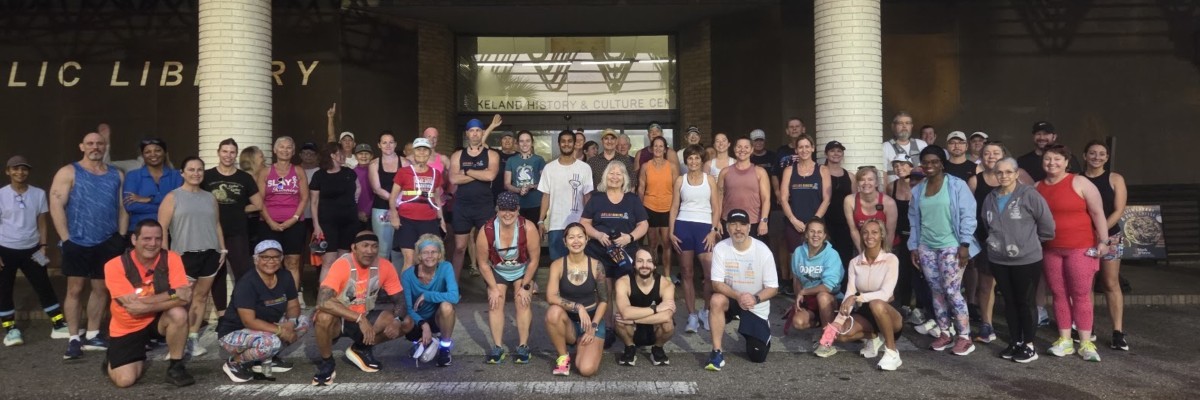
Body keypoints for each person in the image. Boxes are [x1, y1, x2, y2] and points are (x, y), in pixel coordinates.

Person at [50, 131, 129, 359]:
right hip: (78, 240)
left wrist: (121, 236)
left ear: (105, 147)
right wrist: (66, 239)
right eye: (90, 143)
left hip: (107, 241)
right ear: (82, 146)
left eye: (99, 143)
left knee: (101, 289)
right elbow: (56, 205)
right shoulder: (69, 172)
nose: (95, 147)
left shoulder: (117, 175)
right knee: (74, 289)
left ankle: (93, 333)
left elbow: (123, 208)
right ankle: (74, 338)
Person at [1037, 144, 1110, 362]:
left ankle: (1086, 342)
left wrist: (1104, 241)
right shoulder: (1037, 186)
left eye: (1057, 159)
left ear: (1067, 162)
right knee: (1058, 295)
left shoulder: (1079, 182)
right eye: (1048, 159)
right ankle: (1065, 339)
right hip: (1051, 248)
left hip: (1080, 248)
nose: (1052, 163)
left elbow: (1097, 212)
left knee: (1080, 295)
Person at [312, 231, 414, 385]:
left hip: (364, 315)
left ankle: (360, 349)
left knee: (407, 323)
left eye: (374, 246)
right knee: (323, 316)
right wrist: (359, 319)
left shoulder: (385, 266)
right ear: (354, 248)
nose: (370, 251)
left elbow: (400, 298)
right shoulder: (342, 264)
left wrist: (397, 320)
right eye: (365, 246)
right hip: (339, 320)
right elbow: (322, 301)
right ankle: (327, 362)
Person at [907, 145, 980, 356]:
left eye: (934, 162)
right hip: (927, 246)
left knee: (952, 291)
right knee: (936, 291)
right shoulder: (918, 189)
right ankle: (945, 332)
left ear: (942, 163)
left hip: (952, 246)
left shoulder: (957, 185)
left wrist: (965, 244)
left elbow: (968, 215)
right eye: (925, 163)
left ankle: (965, 336)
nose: (929, 166)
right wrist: (914, 246)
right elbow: (913, 220)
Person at [981, 157, 1055, 363]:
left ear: (1016, 174)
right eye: (999, 172)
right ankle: (1015, 341)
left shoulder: (1029, 195)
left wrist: (1029, 244)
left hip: (1026, 259)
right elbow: (987, 225)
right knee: (1010, 302)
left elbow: (1047, 225)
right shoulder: (990, 197)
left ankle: (1029, 345)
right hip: (999, 259)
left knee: (1025, 302)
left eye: (1008, 172)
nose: (1003, 176)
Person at [103, 220, 193, 387]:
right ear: (134, 240)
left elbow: (185, 297)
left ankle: (176, 367)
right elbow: (134, 309)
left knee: (179, 314)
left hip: (157, 320)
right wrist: (172, 294)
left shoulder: (171, 258)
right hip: (127, 325)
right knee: (125, 381)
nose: (153, 244)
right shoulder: (114, 265)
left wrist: (148, 305)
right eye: (146, 238)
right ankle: (113, 358)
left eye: (157, 239)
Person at [966, 141, 1034, 342]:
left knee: (1013, 286)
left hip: (1017, 241)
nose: (991, 156)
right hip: (987, 240)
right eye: (986, 153)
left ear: (1004, 155)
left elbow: (1034, 205)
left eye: (996, 152)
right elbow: (968, 213)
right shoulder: (975, 181)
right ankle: (987, 325)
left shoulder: (1018, 178)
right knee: (985, 285)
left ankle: (1021, 328)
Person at [158, 156, 226, 358]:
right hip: (183, 255)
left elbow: (216, 225)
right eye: (191, 169)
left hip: (210, 253)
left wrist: (222, 249)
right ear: (182, 173)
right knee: (180, 300)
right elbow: (162, 228)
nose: (196, 173)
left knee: (201, 297)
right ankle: (175, 343)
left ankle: (193, 339)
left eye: (199, 170)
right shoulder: (173, 197)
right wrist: (165, 256)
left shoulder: (210, 197)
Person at [216, 240, 310, 382]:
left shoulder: (285, 276)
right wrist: (280, 330)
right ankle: (235, 362)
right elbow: (249, 320)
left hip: (266, 326)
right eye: (265, 257)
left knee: (302, 322)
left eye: (275, 257)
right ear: (256, 259)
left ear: (281, 259)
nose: (271, 261)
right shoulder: (247, 282)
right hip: (235, 331)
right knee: (270, 343)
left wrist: (290, 324)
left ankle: (266, 358)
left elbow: (293, 306)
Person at [1, 156, 68, 346]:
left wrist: (43, 246)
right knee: (4, 288)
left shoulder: (38, 194)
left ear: (28, 172)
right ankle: (10, 329)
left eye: (24, 169)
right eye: (15, 169)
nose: (19, 172)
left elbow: (42, 221)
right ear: (8, 172)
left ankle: (58, 324)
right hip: (5, 248)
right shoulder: (1, 195)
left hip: (31, 249)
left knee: (43, 284)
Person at [580, 162, 646, 348]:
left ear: (624, 178)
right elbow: (584, 223)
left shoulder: (632, 199)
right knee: (605, 292)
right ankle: (608, 327)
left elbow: (643, 225)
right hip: (600, 253)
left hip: (625, 253)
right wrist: (598, 235)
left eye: (618, 174)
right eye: (611, 174)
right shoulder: (596, 198)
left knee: (624, 290)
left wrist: (630, 237)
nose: (615, 177)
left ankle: (627, 324)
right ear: (605, 177)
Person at [705, 209, 778, 371]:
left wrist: (755, 299)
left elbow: (773, 287)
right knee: (716, 299)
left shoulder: (763, 251)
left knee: (757, 357)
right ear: (727, 227)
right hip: (732, 297)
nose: (738, 229)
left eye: (743, 224)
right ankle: (716, 352)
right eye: (733, 224)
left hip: (755, 303)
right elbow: (716, 283)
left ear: (749, 227)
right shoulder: (721, 248)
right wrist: (738, 296)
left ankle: (755, 329)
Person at [476, 192, 541, 364]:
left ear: (518, 210)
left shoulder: (528, 228)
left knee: (522, 301)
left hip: (523, 268)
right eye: (503, 209)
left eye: (511, 209)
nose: (507, 214)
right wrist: (494, 288)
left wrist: (526, 286)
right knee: (495, 302)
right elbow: (482, 263)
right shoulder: (487, 230)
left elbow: (534, 260)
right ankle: (497, 347)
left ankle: (523, 345)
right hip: (498, 269)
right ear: (497, 210)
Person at [831, 219, 903, 370]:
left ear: (882, 235)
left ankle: (892, 352)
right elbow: (849, 294)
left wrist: (857, 298)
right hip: (865, 312)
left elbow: (886, 294)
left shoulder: (891, 259)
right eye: (865, 232)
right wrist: (838, 321)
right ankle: (875, 337)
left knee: (876, 303)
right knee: (841, 334)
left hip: (888, 311)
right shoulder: (854, 262)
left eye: (875, 232)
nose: (870, 236)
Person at [1082, 140, 1129, 351]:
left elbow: (1119, 209)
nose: (1097, 157)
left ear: (1107, 158)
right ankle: (1086, 326)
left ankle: (1118, 332)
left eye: (1101, 154)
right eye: (1092, 153)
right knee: (1086, 286)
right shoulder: (1077, 180)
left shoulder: (1115, 179)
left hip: (1110, 238)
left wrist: (1100, 233)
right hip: (1084, 239)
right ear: (1085, 156)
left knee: (1111, 283)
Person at [668, 145, 721, 333]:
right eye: (690, 158)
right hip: (683, 226)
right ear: (686, 161)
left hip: (704, 228)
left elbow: (716, 206)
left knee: (708, 275)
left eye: (697, 158)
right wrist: (671, 232)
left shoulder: (710, 180)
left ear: (701, 160)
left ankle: (706, 312)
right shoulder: (680, 180)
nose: (693, 162)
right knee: (686, 272)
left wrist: (713, 230)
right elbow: (674, 207)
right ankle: (692, 315)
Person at [544, 223, 608, 377]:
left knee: (586, 370)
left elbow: (604, 300)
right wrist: (578, 307)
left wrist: (593, 326)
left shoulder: (596, 265)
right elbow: (551, 296)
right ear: (565, 242)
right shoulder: (557, 265)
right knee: (553, 313)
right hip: (569, 322)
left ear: (586, 239)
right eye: (571, 237)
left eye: (580, 236)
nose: (576, 241)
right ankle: (563, 356)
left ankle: (587, 348)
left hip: (592, 321)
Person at [203, 139, 263, 290]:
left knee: (243, 272)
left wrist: (238, 209)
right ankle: (222, 313)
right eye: (224, 151)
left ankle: (242, 308)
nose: (228, 155)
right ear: (218, 153)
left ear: (236, 155)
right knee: (216, 274)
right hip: (211, 232)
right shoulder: (207, 176)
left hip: (237, 231)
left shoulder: (244, 178)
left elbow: (258, 204)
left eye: (232, 152)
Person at [257, 136, 310, 303]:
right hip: (268, 224)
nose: (285, 150)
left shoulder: (298, 171)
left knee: (292, 262)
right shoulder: (266, 172)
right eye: (282, 147)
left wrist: (293, 219)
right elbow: (260, 200)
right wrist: (270, 222)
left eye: (289, 147)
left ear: (293, 152)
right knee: (271, 261)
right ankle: (273, 298)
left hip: (294, 223)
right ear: (275, 150)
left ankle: (291, 300)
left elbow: (304, 198)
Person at [449, 118, 501, 281]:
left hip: (484, 206)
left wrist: (466, 171)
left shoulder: (491, 154)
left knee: (488, 247)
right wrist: (480, 173)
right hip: (462, 207)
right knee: (459, 248)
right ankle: (453, 288)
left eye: (478, 130)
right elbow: (453, 179)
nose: (475, 133)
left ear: (482, 133)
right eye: (472, 130)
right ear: (467, 134)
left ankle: (492, 287)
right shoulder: (458, 155)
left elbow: (490, 175)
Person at [889, 155, 935, 334]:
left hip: (923, 238)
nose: (900, 168)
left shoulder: (925, 189)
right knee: (904, 273)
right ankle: (906, 305)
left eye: (904, 165)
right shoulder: (891, 186)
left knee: (923, 275)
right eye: (896, 165)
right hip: (902, 237)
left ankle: (924, 310)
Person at [401, 234, 459, 367]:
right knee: (406, 320)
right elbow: (409, 308)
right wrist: (423, 325)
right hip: (418, 320)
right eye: (425, 252)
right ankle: (420, 342)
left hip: (436, 318)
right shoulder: (408, 275)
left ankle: (444, 348)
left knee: (447, 306)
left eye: (434, 252)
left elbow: (454, 296)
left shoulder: (446, 267)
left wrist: (427, 295)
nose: (430, 256)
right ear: (419, 256)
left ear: (439, 255)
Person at [788, 217, 843, 358]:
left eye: (819, 232)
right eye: (812, 231)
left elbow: (828, 287)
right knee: (798, 322)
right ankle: (820, 326)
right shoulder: (798, 253)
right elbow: (797, 279)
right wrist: (797, 300)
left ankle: (827, 342)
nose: (815, 235)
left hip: (832, 298)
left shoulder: (832, 255)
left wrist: (804, 291)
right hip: (810, 299)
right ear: (806, 234)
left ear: (825, 236)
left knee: (822, 296)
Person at [389, 138, 446, 271]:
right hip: (407, 219)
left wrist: (441, 219)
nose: (421, 153)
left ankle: (424, 289)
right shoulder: (403, 172)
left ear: (429, 153)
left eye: (425, 150)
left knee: (428, 259)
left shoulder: (435, 173)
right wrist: (394, 215)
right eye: (418, 150)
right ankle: (407, 292)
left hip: (429, 220)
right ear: (413, 153)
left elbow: (437, 198)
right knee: (410, 259)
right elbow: (392, 197)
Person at [539, 130, 595, 262]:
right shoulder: (549, 168)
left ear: (575, 144)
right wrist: (541, 220)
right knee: (557, 263)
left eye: (570, 141)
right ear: (559, 144)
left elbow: (587, 197)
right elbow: (546, 196)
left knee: (579, 263)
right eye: (563, 141)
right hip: (556, 225)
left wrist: (590, 222)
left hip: (578, 224)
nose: (566, 144)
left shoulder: (584, 168)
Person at [614, 248, 676, 366]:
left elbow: (667, 315)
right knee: (620, 320)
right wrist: (655, 309)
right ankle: (630, 348)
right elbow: (625, 313)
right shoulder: (623, 282)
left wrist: (634, 318)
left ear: (655, 265)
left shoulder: (666, 284)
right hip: (631, 328)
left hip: (654, 328)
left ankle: (657, 348)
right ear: (634, 264)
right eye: (640, 261)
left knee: (668, 324)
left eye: (649, 261)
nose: (644, 265)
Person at [311, 143, 362, 281]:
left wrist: (353, 202)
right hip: (327, 223)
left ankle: (342, 296)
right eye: (340, 152)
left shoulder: (349, 173)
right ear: (332, 155)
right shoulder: (319, 175)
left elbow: (358, 188)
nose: (344, 155)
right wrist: (316, 225)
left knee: (344, 260)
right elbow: (314, 202)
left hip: (349, 222)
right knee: (328, 261)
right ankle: (324, 298)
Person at [779, 133, 831, 257]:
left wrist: (813, 222)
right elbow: (783, 198)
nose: (804, 150)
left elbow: (827, 199)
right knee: (796, 261)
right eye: (801, 147)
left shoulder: (823, 170)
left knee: (817, 259)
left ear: (813, 148)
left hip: (816, 225)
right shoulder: (789, 170)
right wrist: (793, 220)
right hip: (794, 224)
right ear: (796, 150)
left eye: (807, 147)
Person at [638, 136, 679, 282]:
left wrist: (676, 208)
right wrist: (640, 210)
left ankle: (667, 276)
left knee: (667, 244)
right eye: (655, 146)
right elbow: (641, 188)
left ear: (665, 149)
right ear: (652, 148)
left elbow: (677, 189)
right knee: (652, 244)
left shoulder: (672, 166)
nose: (658, 149)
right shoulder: (645, 166)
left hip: (667, 208)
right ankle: (652, 274)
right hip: (649, 207)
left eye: (661, 146)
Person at [717, 137, 771, 240]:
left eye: (746, 147)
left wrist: (764, 221)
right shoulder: (725, 172)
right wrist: (717, 221)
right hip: (729, 222)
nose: (742, 150)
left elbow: (766, 199)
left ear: (751, 150)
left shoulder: (760, 172)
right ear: (734, 149)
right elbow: (719, 198)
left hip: (753, 222)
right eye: (739, 147)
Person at [367, 132, 408, 265]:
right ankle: (382, 284)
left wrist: (397, 205)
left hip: (403, 208)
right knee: (383, 250)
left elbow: (408, 186)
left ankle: (398, 283)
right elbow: (377, 189)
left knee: (400, 250)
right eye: (384, 142)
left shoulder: (406, 163)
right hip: (381, 209)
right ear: (379, 145)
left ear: (395, 144)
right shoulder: (373, 164)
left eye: (391, 142)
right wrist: (393, 203)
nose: (388, 145)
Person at [123, 138, 182, 228]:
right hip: (140, 230)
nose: (153, 154)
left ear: (165, 153)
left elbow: (179, 202)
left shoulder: (177, 175)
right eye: (147, 152)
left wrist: (150, 199)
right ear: (143, 155)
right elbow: (131, 206)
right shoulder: (132, 176)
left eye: (157, 150)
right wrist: (167, 207)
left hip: (171, 229)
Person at [844, 167, 897, 255]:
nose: (866, 183)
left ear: (876, 183)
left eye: (870, 179)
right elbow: (853, 230)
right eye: (862, 180)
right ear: (857, 183)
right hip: (862, 245)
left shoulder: (889, 202)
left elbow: (890, 232)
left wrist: (884, 255)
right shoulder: (850, 200)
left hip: (887, 246)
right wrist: (863, 254)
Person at [823, 141, 856, 269]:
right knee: (827, 257)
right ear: (826, 154)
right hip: (826, 221)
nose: (836, 154)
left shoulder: (850, 176)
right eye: (832, 151)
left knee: (845, 257)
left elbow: (855, 200)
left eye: (839, 151)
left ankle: (844, 286)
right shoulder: (821, 172)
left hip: (845, 223)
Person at [1017, 121, 1083, 182]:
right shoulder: (1022, 161)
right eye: (1038, 134)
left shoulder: (1068, 158)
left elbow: (1077, 181)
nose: (1042, 137)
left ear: (1054, 137)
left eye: (1046, 134)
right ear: (1033, 137)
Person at [505, 130, 546, 223]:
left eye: (527, 141)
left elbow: (545, 182)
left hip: (536, 204)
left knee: (535, 234)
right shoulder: (511, 160)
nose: (524, 144)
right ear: (517, 143)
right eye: (521, 141)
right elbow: (506, 184)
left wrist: (530, 186)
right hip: (516, 205)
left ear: (532, 143)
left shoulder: (539, 159)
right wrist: (519, 190)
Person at [882, 112, 928, 182]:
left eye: (907, 123)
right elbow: (883, 174)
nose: (904, 126)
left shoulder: (922, 144)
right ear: (893, 126)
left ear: (911, 126)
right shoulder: (885, 147)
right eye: (900, 123)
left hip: (919, 190)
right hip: (896, 190)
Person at [325, 103, 359, 168]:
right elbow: (331, 136)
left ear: (354, 144)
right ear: (339, 143)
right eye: (344, 140)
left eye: (350, 140)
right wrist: (330, 118)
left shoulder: (359, 159)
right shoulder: (335, 157)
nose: (347, 142)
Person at [353, 143, 375, 226]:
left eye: (366, 154)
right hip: (356, 213)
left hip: (373, 212)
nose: (363, 156)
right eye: (360, 154)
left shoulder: (376, 172)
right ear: (355, 156)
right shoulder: (351, 173)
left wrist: (367, 211)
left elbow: (376, 193)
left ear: (371, 156)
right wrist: (357, 212)